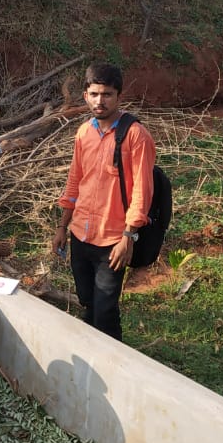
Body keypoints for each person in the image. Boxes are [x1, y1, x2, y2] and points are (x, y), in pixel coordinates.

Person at [50, 63, 155, 341]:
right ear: (85, 95)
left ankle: (112, 361)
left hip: (112, 240)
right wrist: (62, 226)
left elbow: (142, 192)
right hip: (81, 235)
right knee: (88, 300)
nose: (100, 101)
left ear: (119, 96)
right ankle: (91, 352)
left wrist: (128, 237)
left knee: (106, 309)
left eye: (107, 94)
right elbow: (74, 182)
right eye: (94, 94)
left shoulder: (135, 136)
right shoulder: (84, 132)